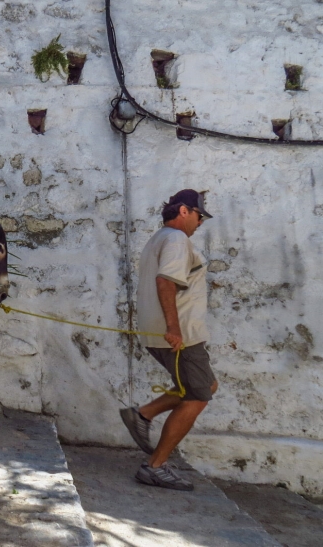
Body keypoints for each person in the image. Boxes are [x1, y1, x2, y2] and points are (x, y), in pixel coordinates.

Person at [121, 189, 218, 491]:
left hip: (164, 331)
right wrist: (174, 328)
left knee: (204, 386)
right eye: (199, 215)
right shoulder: (177, 240)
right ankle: (155, 466)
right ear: (185, 211)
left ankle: (143, 414)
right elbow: (165, 281)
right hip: (182, 335)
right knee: (198, 396)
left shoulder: (160, 238)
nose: (201, 221)